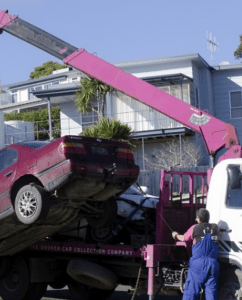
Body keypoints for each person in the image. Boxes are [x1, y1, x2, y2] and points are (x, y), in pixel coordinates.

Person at [172, 208, 219, 300]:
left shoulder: (195, 228)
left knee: (191, 292)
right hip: (213, 264)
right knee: (211, 293)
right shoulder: (216, 228)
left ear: (199, 219)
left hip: (198, 264)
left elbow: (183, 238)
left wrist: (175, 235)